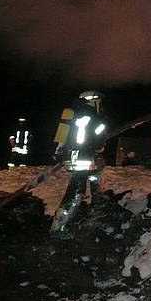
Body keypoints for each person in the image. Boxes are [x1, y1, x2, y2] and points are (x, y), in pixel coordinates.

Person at [51, 90, 108, 232]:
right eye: (100, 102)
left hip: (77, 157)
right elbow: (98, 142)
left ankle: (81, 216)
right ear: (94, 100)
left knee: (83, 187)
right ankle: (60, 226)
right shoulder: (94, 117)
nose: (102, 105)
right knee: (77, 191)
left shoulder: (77, 114)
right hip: (85, 158)